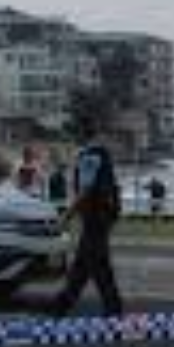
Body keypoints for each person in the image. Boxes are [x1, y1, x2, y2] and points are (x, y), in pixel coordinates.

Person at [50, 116, 124, 318]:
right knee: (82, 265)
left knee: (99, 265)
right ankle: (62, 304)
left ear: (79, 134)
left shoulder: (89, 156)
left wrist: (66, 216)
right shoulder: (102, 154)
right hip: (103, 214)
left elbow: (86, 190)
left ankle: (113, 310)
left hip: (95, 216)